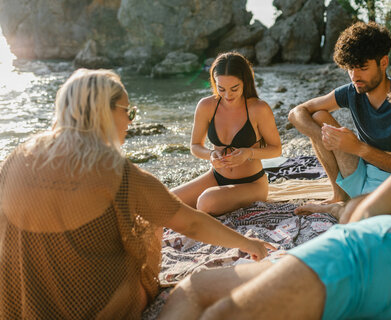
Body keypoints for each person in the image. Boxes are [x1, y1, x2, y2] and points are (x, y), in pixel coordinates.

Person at [157, 63, 391, 320]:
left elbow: (371, 210)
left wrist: (331, 237)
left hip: (378, 249)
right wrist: (333, 213)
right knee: (195, 288)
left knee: (225, 313)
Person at [0, 69, 274, 319]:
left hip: (19, 302)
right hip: (94, 308)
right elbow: (189, 222)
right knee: (162, 235)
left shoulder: (15, 158)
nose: (131, 123)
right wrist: (251, 244)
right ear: (103, 113)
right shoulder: (112, 170)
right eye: (128, 113)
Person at [289, 21, 391, 204]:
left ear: (384, 62)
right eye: (350, 69)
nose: (355, 77)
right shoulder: (351, 92)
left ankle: (351, 201)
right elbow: (296, 113)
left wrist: (358, 148)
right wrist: (326, 140)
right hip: (360, 172)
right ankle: (339, 195)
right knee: (318, 117)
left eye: (363, 68)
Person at [171, 52, 281, 215]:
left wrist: (248, 153)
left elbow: (276, 149)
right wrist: (211, 154)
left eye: (234, 88)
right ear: (214, 83)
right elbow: (195, 146)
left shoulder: (259, 109)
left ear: (245, 82)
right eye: (221, 89)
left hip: (252, 184)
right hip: (216, 177)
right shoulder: (206, 106)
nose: (228, 95)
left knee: (206, 202)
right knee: (163, 201)